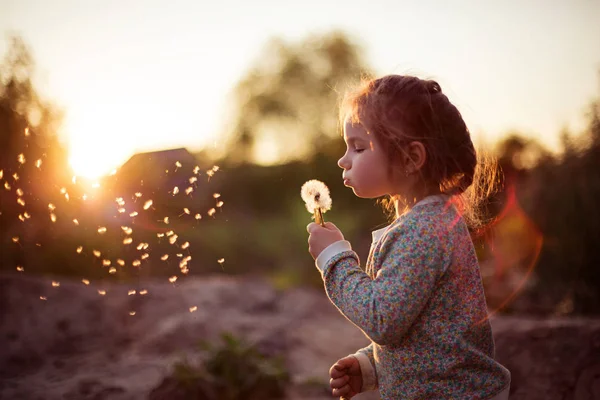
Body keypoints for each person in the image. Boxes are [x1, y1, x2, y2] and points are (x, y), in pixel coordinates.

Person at [306, 75, 511, 399]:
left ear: (411, 158)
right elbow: (428, 330)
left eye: (358, 147)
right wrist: (371, 366)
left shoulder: (422, 232)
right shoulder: (430, 222)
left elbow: (383, 318)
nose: (343, 160)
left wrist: (334, 258)